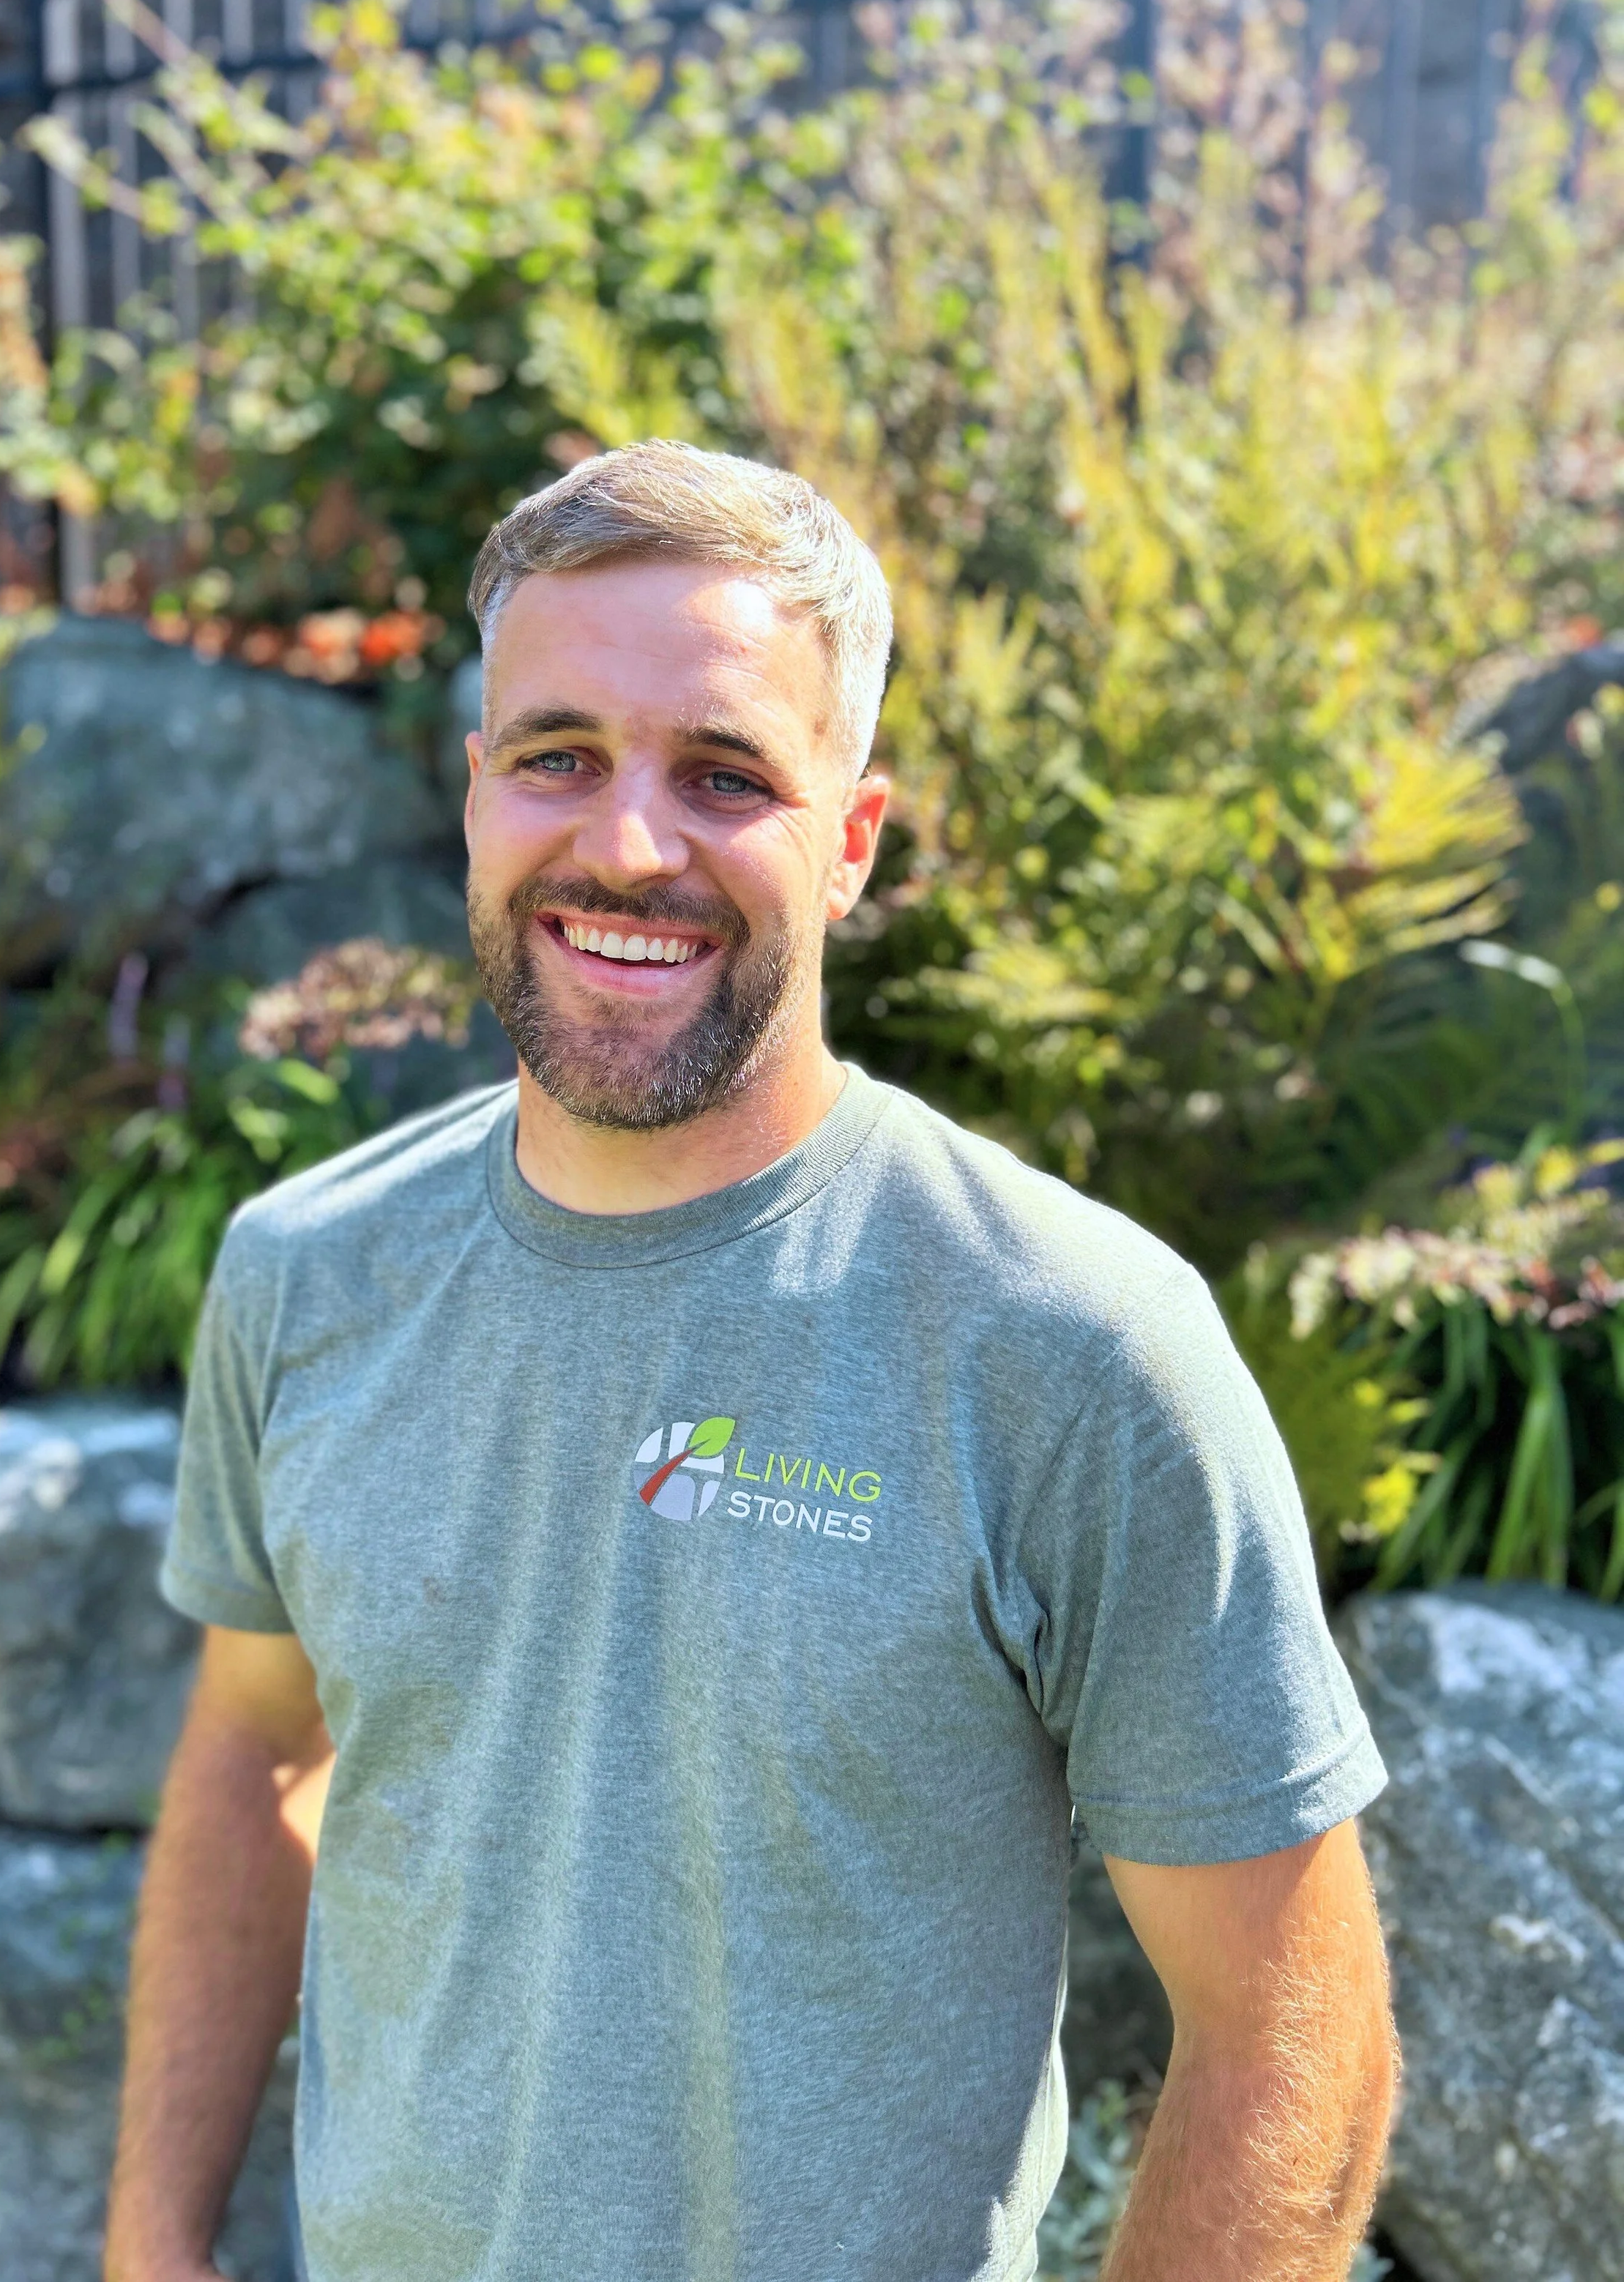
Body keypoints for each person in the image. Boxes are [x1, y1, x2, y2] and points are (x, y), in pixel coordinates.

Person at [105, 441, 1396, 2282]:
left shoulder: (1068, 1345)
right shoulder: (308, 1272)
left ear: (849, 842)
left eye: (723, 775)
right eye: (557, 755)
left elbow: (1293, 2026)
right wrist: (152, 2239)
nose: (628, 844)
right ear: (475, 797)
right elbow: (253, 1745)